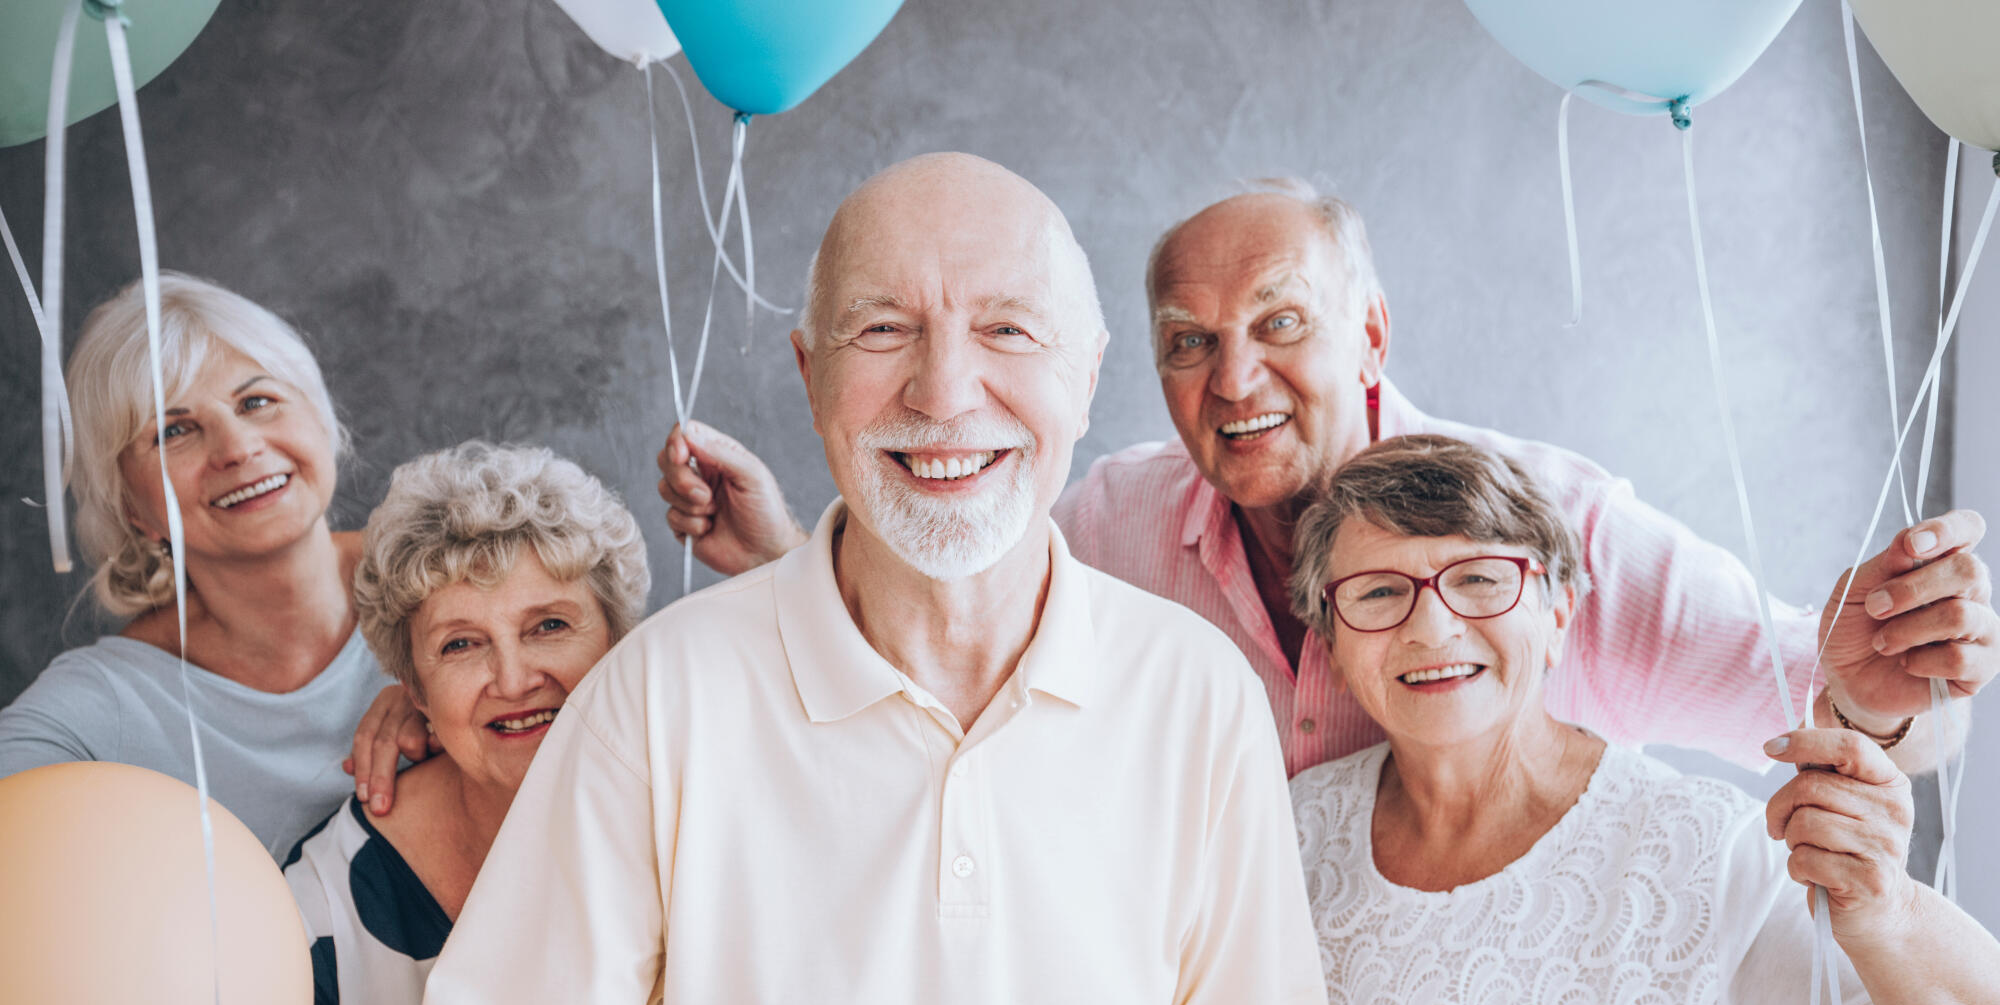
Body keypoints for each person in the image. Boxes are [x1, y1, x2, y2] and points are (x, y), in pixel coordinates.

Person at [157, 153, 1327, 1005]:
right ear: (810, 372)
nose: (943, 388)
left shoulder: (1194, 700)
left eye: (1007, 329)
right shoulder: (656, 700)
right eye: (882, 330)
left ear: (1085, 374)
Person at [657, 180, 1999, 779]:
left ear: (1372, 333)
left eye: (1281, 323)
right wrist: (787, 557)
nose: (1234, 376)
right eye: (1191, 342)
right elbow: (945, 644)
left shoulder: (1553, 524)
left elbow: (1839, 705)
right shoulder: (1115, 521)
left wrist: (1888, 698)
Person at [1268, 435, 2000, 1005]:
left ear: (1561, 609)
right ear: (1332, 640)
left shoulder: (1703, 861)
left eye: (1481, 579)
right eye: (1380, 592)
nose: (1433, 627)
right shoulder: (1284, 835)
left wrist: (1885, 916)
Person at [0, 273, 412, 1005]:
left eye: (261, 399)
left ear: (320, 415)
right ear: (124, 496)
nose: (236, 446)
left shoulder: (470, 609)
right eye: (174, 429)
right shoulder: (93, 714)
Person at [281, 440, 650, 1005]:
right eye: (461, 644)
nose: (515, 677)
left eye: (550, 625)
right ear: (412, 688)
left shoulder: (693, 830)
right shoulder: (334, 886)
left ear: (627, 644)